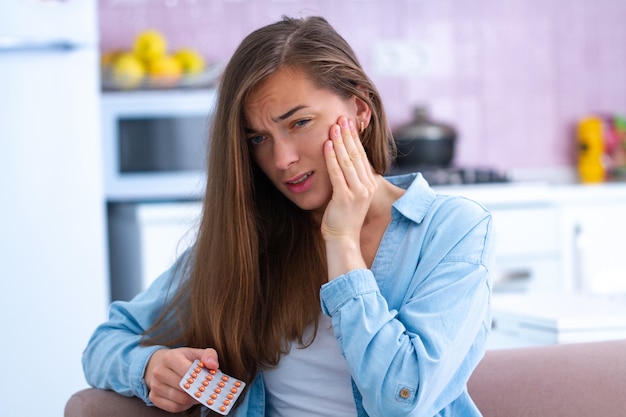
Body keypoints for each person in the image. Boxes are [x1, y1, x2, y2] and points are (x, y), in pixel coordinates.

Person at [82, 15, 494, 417]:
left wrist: (342, 243)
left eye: (299, 122)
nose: (281, 160)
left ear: (360, 110)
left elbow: (402, 400)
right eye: (258, 139)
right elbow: (104, 344)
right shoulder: (251, 240)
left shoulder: (452, 230)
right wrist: (150, 368)